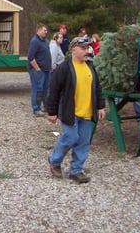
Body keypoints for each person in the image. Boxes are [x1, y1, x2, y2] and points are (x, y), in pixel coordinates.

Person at [46, 37, 106, 183]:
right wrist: (52, 112)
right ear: (74, 50)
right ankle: (55, 160)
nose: (87, 51)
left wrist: (100, 106)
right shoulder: (64, 68)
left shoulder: (90, 67)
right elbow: (53, 90)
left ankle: (76, 170)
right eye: (83, 48)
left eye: (87, 48)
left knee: (84, 141)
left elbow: (97, 88)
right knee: (71, 137)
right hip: (70, 112)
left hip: (87, 113)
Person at [27, 23, 52, 116]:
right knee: (37, 89)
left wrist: (50, 66)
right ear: (39, 30)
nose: (46, 32)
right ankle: (36, 108)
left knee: (46, 89)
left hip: (46, 69)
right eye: (45, 30)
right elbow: (30, 57)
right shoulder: (35, 41)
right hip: (38, 70)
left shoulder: (45, 41)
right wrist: (37, 69)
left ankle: (46, 107)